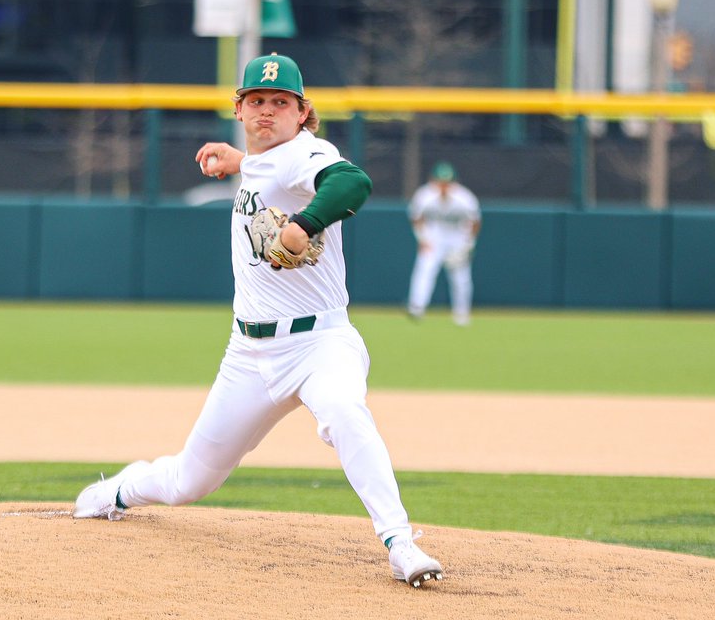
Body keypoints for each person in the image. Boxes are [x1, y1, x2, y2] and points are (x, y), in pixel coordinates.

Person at [73, 52, 444, 588]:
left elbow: (351, 181)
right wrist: (238, 161)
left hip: (320, 342)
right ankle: (121, 491)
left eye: (280, 102)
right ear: (240, 110)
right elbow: (265, 167)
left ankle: (400, 543)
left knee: (343, 409)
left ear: (302, 113)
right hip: (248, 355)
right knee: (188, 482)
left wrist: (307, 222)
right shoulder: (262, 161)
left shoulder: (307, 154)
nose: (267, 110)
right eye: (256, 101)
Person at [406, 162, 481, 326]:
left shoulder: (464, 197)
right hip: (434, 236)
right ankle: (416, 307)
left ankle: (462, 313)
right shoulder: (425, 195)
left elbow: (475, 222)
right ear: (433, 180)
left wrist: (468, 244)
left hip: (457, 237)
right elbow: (416, 218)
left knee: (461, 277)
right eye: (440, 181)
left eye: (447, 182)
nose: (444, 186)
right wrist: (422, 239)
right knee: (425, 269)